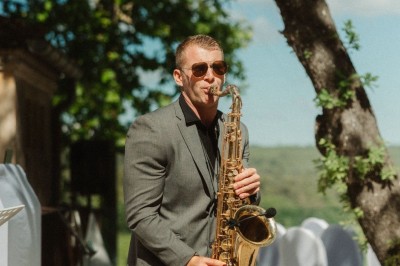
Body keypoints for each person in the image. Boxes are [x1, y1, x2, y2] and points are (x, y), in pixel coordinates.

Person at [123, 34, 261, 266]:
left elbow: (238, 207)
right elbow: (141, 215)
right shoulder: (151, 129)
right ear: (179, 77)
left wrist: (251, 192)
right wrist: (189, 260)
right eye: (199, 69)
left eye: (218, 68)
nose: (211, 77)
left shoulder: (238, 131)